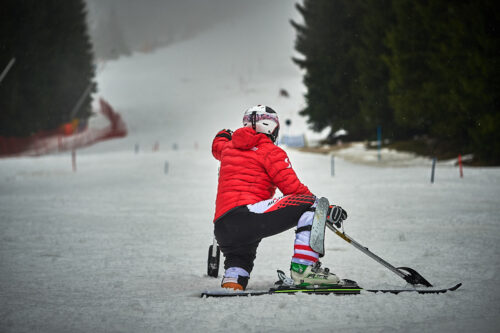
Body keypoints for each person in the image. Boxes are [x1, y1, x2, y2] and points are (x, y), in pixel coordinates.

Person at [212, 105, 347, 291]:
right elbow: (296, 192)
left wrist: (224, 134)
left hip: (223, 226)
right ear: (271, 128)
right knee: (311, 203)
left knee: (240, 258)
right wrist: (325, 210)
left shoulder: (227, 147)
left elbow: (216, 145)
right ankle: (304, 270)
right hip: (248, 217)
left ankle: (233, 280)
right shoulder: (270, 151)